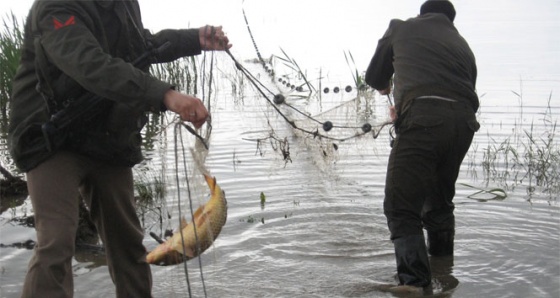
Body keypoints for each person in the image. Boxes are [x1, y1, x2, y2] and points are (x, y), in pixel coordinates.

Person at [8, 0, 231, 297]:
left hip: (107, 137)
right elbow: (89, 64)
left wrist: (193, 39)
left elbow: (137, 47)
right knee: (56, 241)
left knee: (127, 242)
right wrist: (165, 95)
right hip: (50, 138)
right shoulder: (55, 7)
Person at [365, 0, 479, 290]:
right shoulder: (462, 45)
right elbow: (459, 91)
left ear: (421, 13)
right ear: (450, 21)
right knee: (439, 206)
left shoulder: (400, 27)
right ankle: (443, 270)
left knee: (401, 208)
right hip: (463, 126)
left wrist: (396, 96)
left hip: (423, 121)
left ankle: (414, 285)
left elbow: (374, 77)